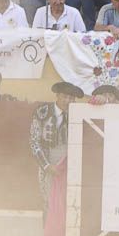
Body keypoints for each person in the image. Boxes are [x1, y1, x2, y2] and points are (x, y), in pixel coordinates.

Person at [30, 81, 83, 212]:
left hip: (69, 161)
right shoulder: (42, 111)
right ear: (57, 95)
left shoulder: (77, 112)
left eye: (71, 98)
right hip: (47, 158)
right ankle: (48, 232)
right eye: (65, 97)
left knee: (69, 201)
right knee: (48, 200)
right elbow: (34, 141)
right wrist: (46, 165)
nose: (68, 101)